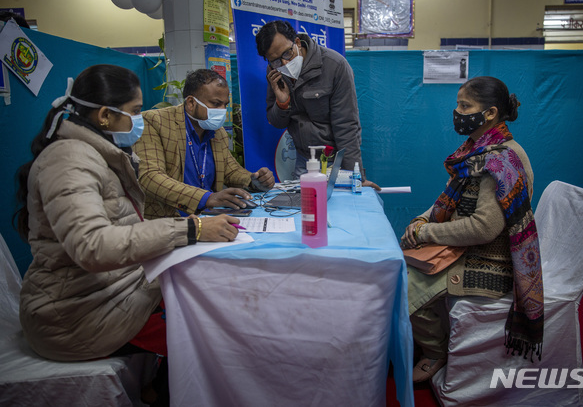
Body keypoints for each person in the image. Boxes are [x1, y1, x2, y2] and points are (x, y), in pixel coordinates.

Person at [15, 64, 240, 404]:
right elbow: (92, 246)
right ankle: (163, 394)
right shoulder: (69, 161)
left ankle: (158, 390)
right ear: (105, 115)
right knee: (207, 328)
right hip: (71, 319)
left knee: (205, 296)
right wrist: (190, 228)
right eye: (135, 112)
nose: (141, 120)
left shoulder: (101, 154)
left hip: (104, 295)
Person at [400, 76, 544, 382]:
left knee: (403, 287)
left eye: (465, 106)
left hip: (489, 261)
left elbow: (484, 228)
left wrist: (426, 234)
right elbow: (448, 196)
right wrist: (423, 220)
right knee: (398, 262)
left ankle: (435, 352)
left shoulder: (502, 160)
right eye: (458, 104)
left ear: (490, 113)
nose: (457, 111)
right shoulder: (478, 149)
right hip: (461, 248)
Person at [133, 69, 275, 219]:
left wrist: (254, 180)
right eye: (216, 104)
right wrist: (205, 198)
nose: (222, 111)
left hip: (209, 217)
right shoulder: (153, 122)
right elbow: (150, 177)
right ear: (191, 103)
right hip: (169, 220)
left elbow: (230, 170)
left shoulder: (217, 131)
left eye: (225, 105)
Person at [256, 20, 379, 189]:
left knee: (339, 211)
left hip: (336, 163)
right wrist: (282, 102)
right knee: (304, 211)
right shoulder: (275, 72)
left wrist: (355, 177)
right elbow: (277, 122)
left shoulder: (334, 65)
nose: (284, 64)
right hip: (304, 160)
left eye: (287, 54)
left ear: (297, 43)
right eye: (275, 61)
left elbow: (346, 125)